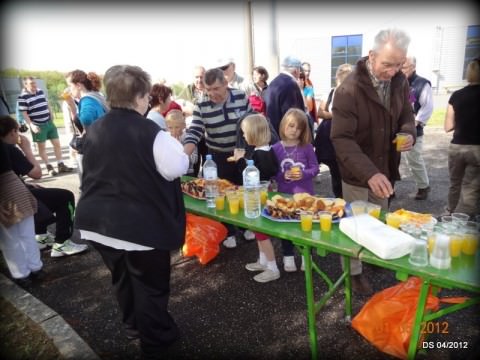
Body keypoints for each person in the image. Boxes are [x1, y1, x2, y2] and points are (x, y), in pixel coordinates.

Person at [74, 65, 189, 358]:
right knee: (150, 286)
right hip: (138, 226)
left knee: (122, 278)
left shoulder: (96, 128)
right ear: (141, 97)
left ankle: (134, 326)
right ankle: (157, 341)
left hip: (98, 222)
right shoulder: (152, 132)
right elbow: (177, 167)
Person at [330, 28, 416, 295]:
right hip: (358, 172)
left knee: (378, 218)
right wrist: (369, 173)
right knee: (356, 222)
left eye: (399, 65)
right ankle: (354, 272)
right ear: (371, 56)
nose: (392, 71)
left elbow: (406, 113)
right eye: (386, 65)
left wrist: (407, 132)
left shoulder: (399, 81)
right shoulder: (349, 89)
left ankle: (376, 253)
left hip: (385, 165)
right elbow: (342, 139)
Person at [0, 116, 88, 258]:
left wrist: (25, 184)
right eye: (17, 131)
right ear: (12, 132)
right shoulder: (9, 149)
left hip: (7, 197)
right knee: (65, 196)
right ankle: (62, 243)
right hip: (15, 200)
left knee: (39, 191)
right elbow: (36, 173)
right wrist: (27, 149)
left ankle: (41, 235)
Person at [183, 67, 251, 248]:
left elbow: (252, 122)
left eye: (216, 89)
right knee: (221, 193)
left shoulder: (241, 97)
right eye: (208, 89)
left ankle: (245, 227)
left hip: (241, 153)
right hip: (218, 156)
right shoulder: (201, 104)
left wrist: (244, 148)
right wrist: (184, 155)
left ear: (226, 85)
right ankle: (228, 230)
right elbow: (195, 130)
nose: (211, 93)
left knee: (243, 189)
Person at [230, 113, 280, 282]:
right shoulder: (266, 150)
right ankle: (263, 260)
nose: (243, 136)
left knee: (261, 234)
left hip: (260, 198)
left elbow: (254, 174)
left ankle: (273, 267)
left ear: (253, 134)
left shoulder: (261, 154)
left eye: (244, 133)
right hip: (262, 196)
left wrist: (240, 161)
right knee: (258, 232)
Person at [272, 108, 319, 272]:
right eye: (291, 126)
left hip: (306, 196)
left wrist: (304, 174)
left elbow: (315, 168)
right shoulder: (276, 148)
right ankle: (288, 256)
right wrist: (283, 176)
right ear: (284, 125)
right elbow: (274, 173)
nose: (294, 130)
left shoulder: (306, 147)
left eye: (298, 128)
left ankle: (307, 257)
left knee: (306, 227)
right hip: (285, 196)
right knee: (286, 227)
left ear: (304, 130)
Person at [0, 119, 42, 285]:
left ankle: (21, 274)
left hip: (4, 195)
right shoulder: (8, 148)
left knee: (10, 239)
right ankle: (36, 268)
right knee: (27, 234)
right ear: (11, 132)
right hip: (17, 191)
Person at [443, 58, 480, 218]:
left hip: (457, 146)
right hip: (477, 148)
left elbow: (447, 126)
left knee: (455, 183)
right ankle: (463, 221)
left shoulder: (457, 95)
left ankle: (450, 212)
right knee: (470, 187)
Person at [17, 76, 73, 176]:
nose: (34, 85)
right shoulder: (22, 97)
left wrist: (51, 112)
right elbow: (24, 113)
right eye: (31, 83)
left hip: (49, 123)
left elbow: (46, 103)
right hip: (38, 125)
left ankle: (61, 165)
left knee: (57, 144)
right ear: (25, 85)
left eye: (35, 83)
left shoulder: (40, 91)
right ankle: (49, 167)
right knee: (42, 148)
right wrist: (32, 125)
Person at [314, 63, 353, 198]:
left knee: (346, 171)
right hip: (330, 137)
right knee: (335, 170)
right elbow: (320, 113)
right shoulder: (331, 92)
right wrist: (336, 115)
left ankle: (344, 198)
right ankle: (340, 199)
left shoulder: (354, 94)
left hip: (347, 138)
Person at [64, 70, 109, 178]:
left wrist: (83, 132)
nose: (69, 89)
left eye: (70, 85)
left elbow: (87, 119)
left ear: (78, 85)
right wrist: (73, 107)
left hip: (95, 149)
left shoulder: (87, 100)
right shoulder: (96, 95)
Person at [401, 56, 433, 200]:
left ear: (413, 67)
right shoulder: (396, 82)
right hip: (395, 129)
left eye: (405, 67)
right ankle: (389, 187)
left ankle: (423, 186)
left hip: (412, 129)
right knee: (391, 159)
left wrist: (415, 122)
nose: (401, 70)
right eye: (400, 67)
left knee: (413, 158)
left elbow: (427, 106)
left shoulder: (422, 84)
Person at [265, 56, 305, 135]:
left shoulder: (273, 82)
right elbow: (293, 114)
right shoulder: (291, 84)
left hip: (274, 131)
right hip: (287, 135)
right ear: (296, 70)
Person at [165, 109, 198, 176]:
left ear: (184, 126)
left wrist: (181, 148)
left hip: (187, 173)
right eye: (170, 128)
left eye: (177, 127)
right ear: (166, 127)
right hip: (171, 173)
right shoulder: (166, 138)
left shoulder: (189, 138)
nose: (173, 131)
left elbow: (195, 159)